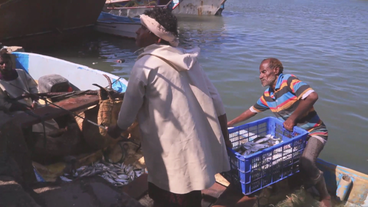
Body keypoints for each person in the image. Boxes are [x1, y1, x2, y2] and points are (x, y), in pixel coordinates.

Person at [107, 8, 231, 207]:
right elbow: (215, 100)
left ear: (156, 39)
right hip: (195, 142)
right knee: (191, 188)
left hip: (168, 148)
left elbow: (129, 111)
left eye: (142, 28)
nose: (137, 32)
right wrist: (225, 139)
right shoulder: (189, 60)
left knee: (169, 192)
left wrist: (117, 129)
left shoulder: (145, 65)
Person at [227, 58, 331, 207]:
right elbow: (251, 111)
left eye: (264, 72)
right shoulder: (268, 95)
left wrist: (292, 119)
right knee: (278, 163)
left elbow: (312, 96)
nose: (260, 76)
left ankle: (325, 196)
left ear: (275, 70)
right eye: (260, 73)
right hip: (294, 137)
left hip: (314, 132)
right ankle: (288, 187)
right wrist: (229, 123)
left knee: (305, 162)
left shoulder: (289, 80)